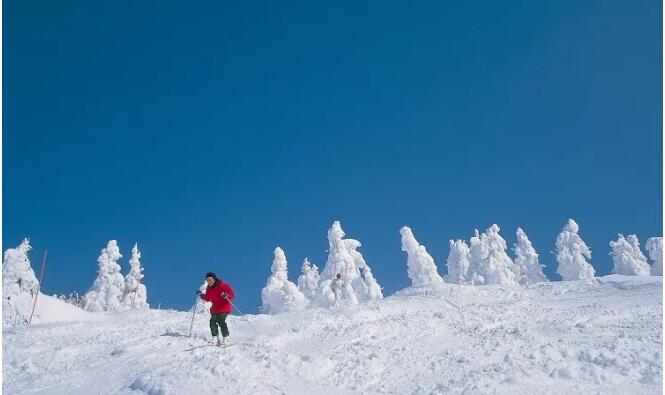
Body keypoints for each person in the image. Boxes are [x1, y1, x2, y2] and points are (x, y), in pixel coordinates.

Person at [196, 272, 235, 346]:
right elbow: (207, 297)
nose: (209, 282)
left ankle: (226, 337)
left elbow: (232, 295)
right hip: (215, 308)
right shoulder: (209, 288)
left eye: (210, 280)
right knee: (212, 321)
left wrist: (226, 295)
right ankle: (215, 337)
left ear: (214, 279)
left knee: (221, 320)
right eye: (207, 280)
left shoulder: (223, 286)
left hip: (224, 307)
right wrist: (201, 295)